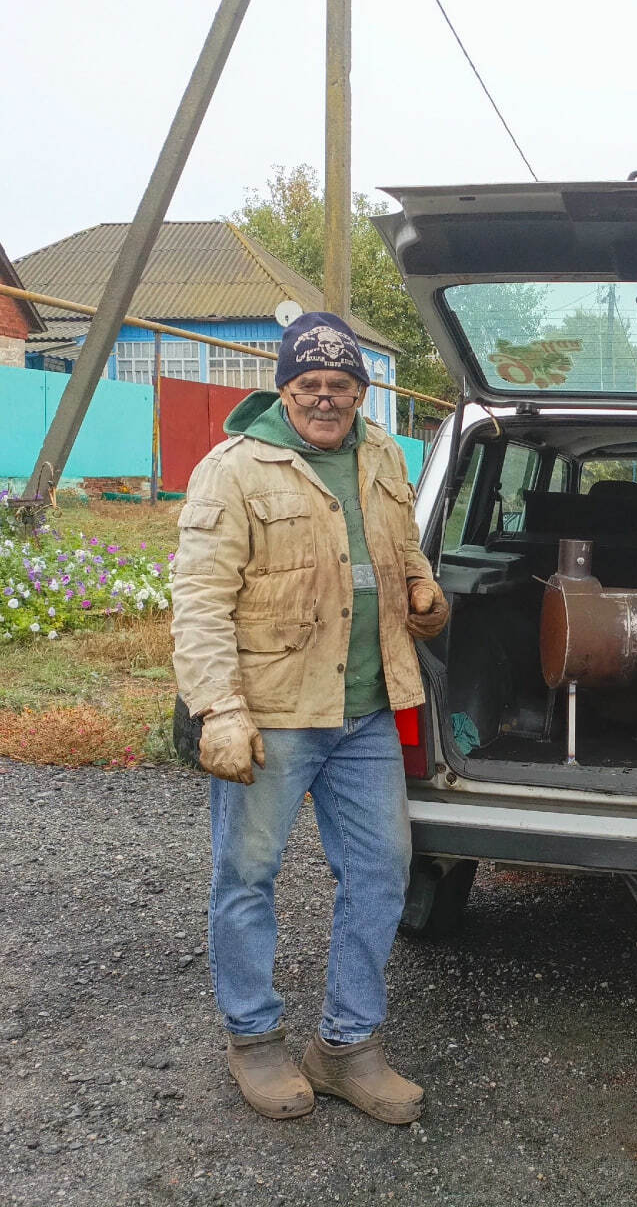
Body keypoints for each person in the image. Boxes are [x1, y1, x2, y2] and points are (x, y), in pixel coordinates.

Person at [170, 312, 449, 1124]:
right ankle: (254, 1040)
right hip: (274, 715)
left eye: (341, 386)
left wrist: (423, 594)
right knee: (246, 877)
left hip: (365, 711)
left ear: (361, 391)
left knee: (379, 873)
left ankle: (345, 1047)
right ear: (285, 390)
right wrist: (218, 709)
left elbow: (402, 554)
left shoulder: (383, 454)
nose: (326, 400)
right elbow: (198, 601)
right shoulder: (234, 469)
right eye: (310, 387)